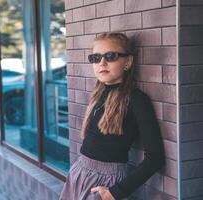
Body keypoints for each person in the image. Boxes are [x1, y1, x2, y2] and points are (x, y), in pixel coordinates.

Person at [59, 32, 165, 200]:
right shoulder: (98, 94)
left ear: (127, 62)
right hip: (79, 174)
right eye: (96, 57)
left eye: (111, 56)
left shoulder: (137, 100)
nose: (102, 62)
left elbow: (156, 158)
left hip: (106, 185)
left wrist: (115, 192)